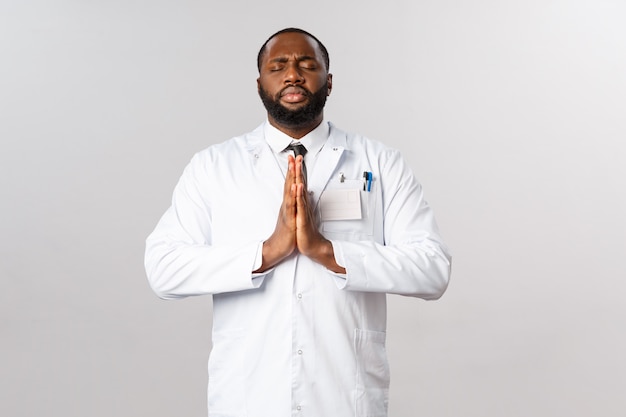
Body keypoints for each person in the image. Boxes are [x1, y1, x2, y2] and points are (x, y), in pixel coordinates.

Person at [145, 27, 451, 417]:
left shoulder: (380, 163)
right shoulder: (214, 166)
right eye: (279, 66)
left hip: (344, 397)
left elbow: (432, 268)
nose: (293, 75)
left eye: (307, 65)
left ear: (329, 81)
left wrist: (327, 252)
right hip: (248, 398)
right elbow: (162, 269)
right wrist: (267, 252)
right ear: (260, 84)